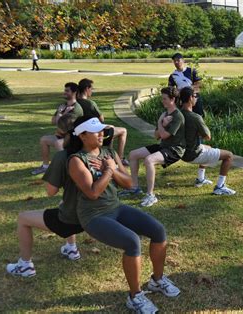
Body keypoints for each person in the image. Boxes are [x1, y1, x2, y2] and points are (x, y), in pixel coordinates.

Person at [68, 116, 180, 313]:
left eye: (102, 130)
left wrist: (111, 169)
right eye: (96, 131)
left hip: (116, 207)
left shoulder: (108, 152)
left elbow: (129, 183)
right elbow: (93, 193)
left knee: (158, 231)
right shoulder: (77, 161)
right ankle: (135, 296)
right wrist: (109, 172)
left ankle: (157, 280)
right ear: (83, 136)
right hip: (94, 216)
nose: (101, 134)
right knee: (132, 241)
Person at [7, 115, 84, 277]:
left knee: (23, 218)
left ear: (61, 132)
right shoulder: (95, 151)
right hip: (96, 213)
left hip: (76, 218)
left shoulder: (63, 156)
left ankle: (25, 265)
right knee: (66, 202)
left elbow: (51, 192)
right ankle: (71, 248)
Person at [122, 87, 186, 207]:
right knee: (133, 154)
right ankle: (135, 187)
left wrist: (160, 123)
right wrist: (162, 123)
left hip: (175, 150)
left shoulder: (178, 116)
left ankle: (150, 195)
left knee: (149, 160)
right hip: (163, 146)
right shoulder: (165, 114)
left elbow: (164, 135)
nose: (162, 101)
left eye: (165, 98)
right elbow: (156, 136)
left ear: (173, 99)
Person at [179, 87, 236, 195]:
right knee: (229, 155)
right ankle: (220, 186)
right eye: (195, 96)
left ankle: (200, 179)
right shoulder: (195, 117)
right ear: (190, 98)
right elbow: (207, 136)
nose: (196, 98)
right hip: (193, 154)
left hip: (181, 152)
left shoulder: (178, 114)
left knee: (208, 148)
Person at [31, 82, 83, 175]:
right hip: (62, 135)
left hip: (73, 138)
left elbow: (62, 127)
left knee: (58, 143)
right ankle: (45, 167)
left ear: (74, 92)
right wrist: (61, 114)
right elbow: (53, 121)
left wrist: (60, 115)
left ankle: (67, 170)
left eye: (67, 91)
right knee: (44, 140)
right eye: (64, 90)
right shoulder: (63, 106)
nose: (64, 92)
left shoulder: (76, 109)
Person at [77, 78, 129, 166]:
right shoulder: (90, 104)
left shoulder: (76, 102)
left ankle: (110, 156)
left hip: (81, 130)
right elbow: (101, 119)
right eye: (91, 89)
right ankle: (120, 158)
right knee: (123, 130)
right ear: (86, 89)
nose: (92, 91)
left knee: (110, 128)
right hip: (94, 131)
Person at [168, 53, 204, 117]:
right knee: (186, 117)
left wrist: (189, 88)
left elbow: (200, 84)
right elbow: (170, 90)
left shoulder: (192, 71)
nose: (176, 62)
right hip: (183, 99)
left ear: (183, 60)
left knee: (199, 116)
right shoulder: (172, 76)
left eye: (178, 60)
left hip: (194, 97)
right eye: (174, 61)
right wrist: (175, 92)